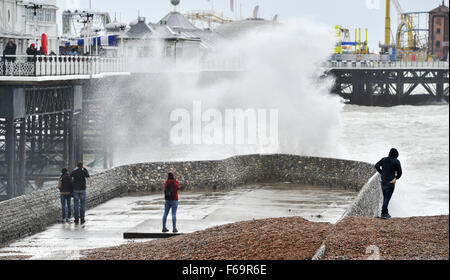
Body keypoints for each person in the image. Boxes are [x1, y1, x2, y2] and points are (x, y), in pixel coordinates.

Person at [375, 148, 403, 220]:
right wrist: (396, 178)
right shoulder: (396, 161)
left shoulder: (384, 159)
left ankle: (386, 212)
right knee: (387, 198)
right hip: (391, 182)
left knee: (385, 197)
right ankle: (383, 214)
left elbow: (376, 165)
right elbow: (400, 173)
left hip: (383, 181)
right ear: (396, 155)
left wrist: (382, 173)